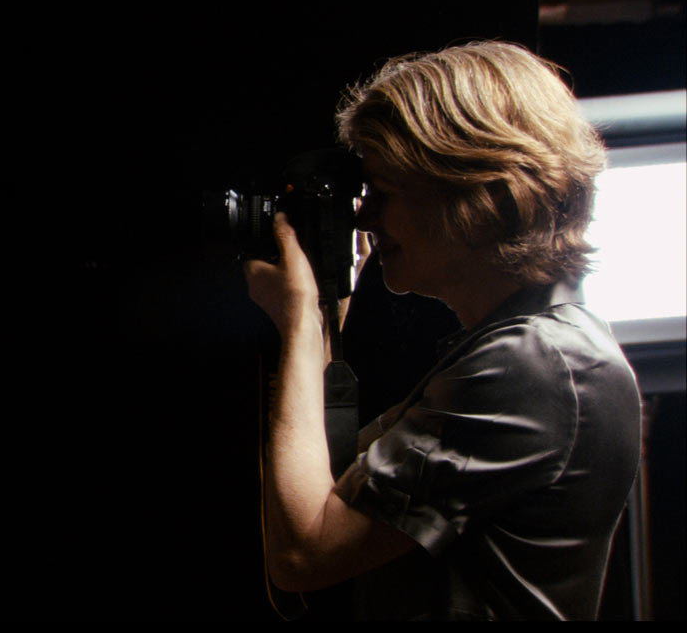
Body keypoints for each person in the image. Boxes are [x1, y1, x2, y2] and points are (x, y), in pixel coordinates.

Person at [245, 41, 641, 620]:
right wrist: (325, 320)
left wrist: (300, 319)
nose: (363, 216)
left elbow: (305, 554)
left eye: (385, 192)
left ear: (473, 193)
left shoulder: (535, 363)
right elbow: (329, 485)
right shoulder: (535, 347)